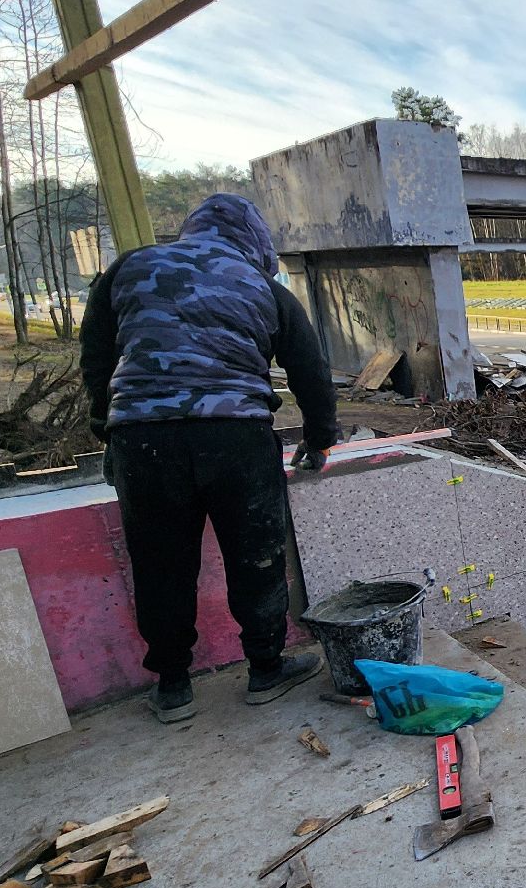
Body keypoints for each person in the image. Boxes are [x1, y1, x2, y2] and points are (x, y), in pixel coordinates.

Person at [81, 193, 338, 723]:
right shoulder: (263, 286)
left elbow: (97, 360)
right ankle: (266, 669)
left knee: (160, 565)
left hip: (143, 440)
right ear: (256, 240)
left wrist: (107, 432)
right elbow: (311, 371)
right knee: (256, 558)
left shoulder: (129, 269)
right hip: (236, 437)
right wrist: (318, 441)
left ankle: (173, 685)